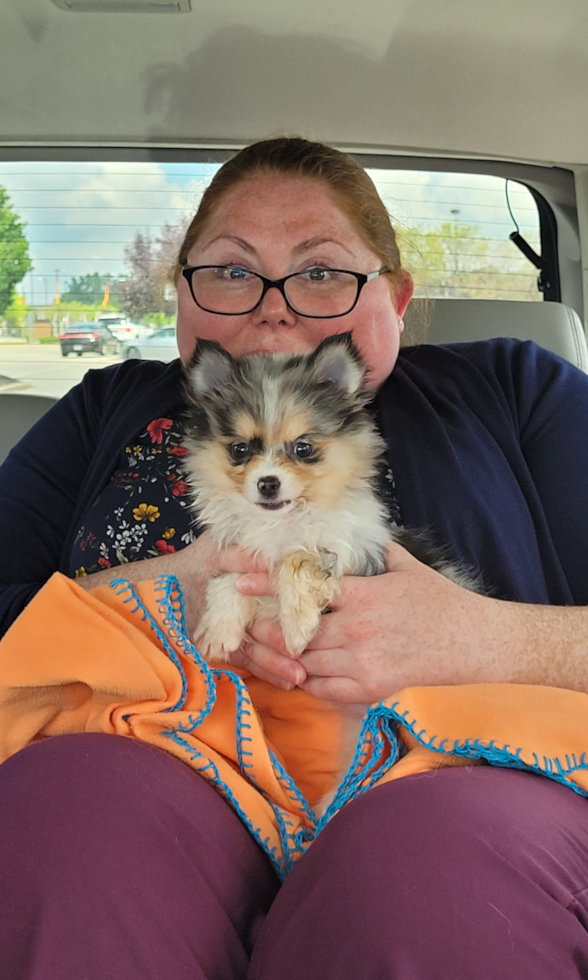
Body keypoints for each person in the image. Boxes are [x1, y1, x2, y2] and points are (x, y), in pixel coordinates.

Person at [1, 137, 588, 979]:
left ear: (396, 294)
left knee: (431, 875)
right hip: (155, 756)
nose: (273, 309)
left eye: (322, 272)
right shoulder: (103, 406)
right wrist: (172, 586)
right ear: (182, 294)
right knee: (66, 823)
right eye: (232, 272)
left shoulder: (515, 389)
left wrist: (481, 641)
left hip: (453, 776)